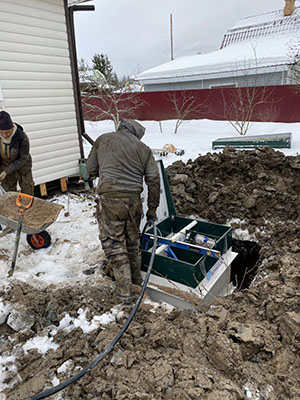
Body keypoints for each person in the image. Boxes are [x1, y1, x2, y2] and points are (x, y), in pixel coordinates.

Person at [86, 119, 160, 303]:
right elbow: (153, 180)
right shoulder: (143, 149)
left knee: (114, 245)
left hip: (110, 200)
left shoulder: (103, 140)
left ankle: (125, 295)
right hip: (134, 202)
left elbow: (90, 169)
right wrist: (152, 208)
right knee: (133, 243)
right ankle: (136, 283)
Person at [0, 111, 34, 195]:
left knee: (27, 193)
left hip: (22, 168)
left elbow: (22, 158)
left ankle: (27, 207)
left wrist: (6, 171)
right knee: (9, 194)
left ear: (12, 127)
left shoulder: (22, 137)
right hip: (5, 167)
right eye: (1, 132)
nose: (4, 135)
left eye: (7, 132)